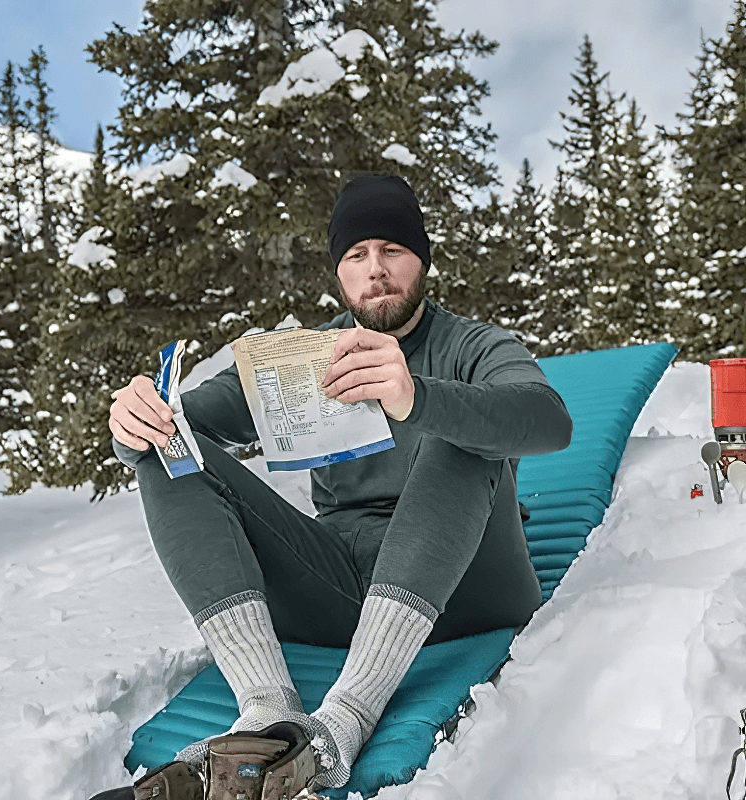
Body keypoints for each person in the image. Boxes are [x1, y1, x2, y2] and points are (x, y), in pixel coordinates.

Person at [108, 173, 573, 790]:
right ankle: (268, 713)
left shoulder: (471, 344)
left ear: (422, 262)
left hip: (470, 592)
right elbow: (180, 421)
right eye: (356, 255)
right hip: (340, 592)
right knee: (168, 446)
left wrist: (420, 398)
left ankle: (347, 718)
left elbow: (549, 421)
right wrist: (132, 425)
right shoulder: (306, 354)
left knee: (458, 432)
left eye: (393, 250)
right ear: (339, 273)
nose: (375, 269)